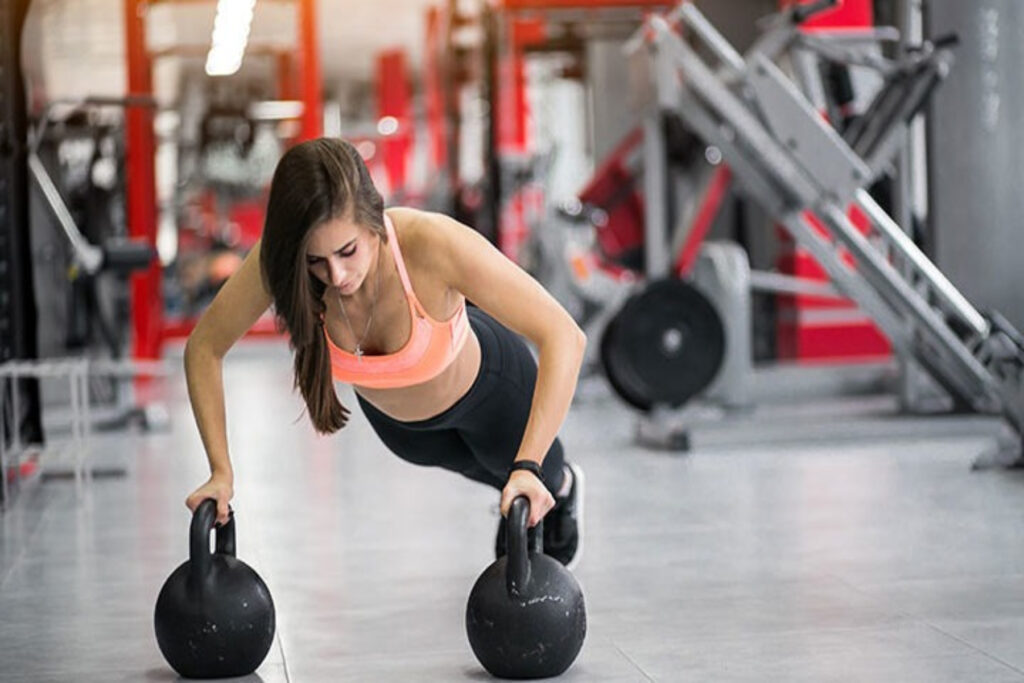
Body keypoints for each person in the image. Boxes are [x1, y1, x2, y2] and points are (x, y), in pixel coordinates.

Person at [183, 138, 587, 568]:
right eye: (315, 261)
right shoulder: (281, 260)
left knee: (511, 467)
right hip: (406, 434)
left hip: (491, 396)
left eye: (347, 251)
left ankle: (561, 487)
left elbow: (564, 335)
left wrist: (527, 465)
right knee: (495, 477)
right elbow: (204, 347)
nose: (336, 276)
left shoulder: (430, 242)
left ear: (374, 221)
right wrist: (220, 472)